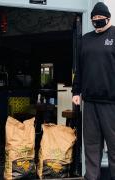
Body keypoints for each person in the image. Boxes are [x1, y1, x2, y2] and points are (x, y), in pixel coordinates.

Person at [72, 2, 115, 180]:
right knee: (91, 145)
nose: (97, 21)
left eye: (100, 18)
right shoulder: (86, 39)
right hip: (89, 102)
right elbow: (79, 68)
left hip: (111, 103)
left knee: (114, 146)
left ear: (108, 18)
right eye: (94, 19)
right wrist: (76, 92)